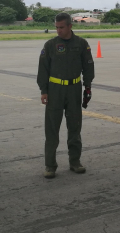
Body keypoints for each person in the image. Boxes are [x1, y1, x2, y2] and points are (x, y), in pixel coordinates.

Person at [37, 12, 95, 178]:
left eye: (61, 27)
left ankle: (75, 162)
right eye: (56, 27)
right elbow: (43, 70)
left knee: (75, 127)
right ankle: (50, 165)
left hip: (74, 89)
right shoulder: (50, 45)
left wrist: (88, 87)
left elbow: (88, 66)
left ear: (70, 26)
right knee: (52, 129)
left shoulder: (82, 44)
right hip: (55, 90)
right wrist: (43, 90)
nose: (58, 30)